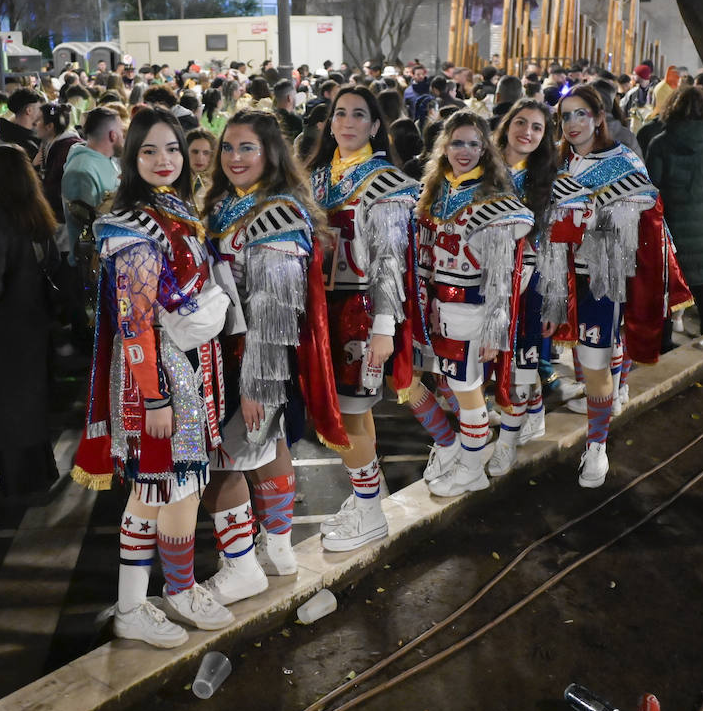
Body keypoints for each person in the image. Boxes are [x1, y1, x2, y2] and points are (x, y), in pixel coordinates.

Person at [69, 107, 234, 646]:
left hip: (187, 367)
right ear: (129, 156)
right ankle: (173, 593)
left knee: (157, 492)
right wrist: (155, 398)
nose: (164, 160)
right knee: (172, 488)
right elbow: (135, 324)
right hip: (161, 377)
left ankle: (136, 604)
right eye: (149, 151)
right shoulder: (135, 226)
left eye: (172, 149)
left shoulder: (178, 211)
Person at [202, 109, 349, 600]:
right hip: (239, 354)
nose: (235, 157)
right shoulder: (231, 202)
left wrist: (256, 385)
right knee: (267, 448)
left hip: (255, 358)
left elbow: (275, 311)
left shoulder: (275, 213)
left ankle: (243, 566)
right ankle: (279, 550)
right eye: (228, 147)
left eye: (247, 148)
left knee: (223, 461)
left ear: (270, 153)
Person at [548, 86, 690, 489]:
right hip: (564, 278)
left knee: (596, 363)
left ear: (598, 117)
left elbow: (643, 219)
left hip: (602, 278)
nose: (572, 124)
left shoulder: (622, 161)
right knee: (584, 359)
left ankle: (597, 446)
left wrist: (586, 219)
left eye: (580, 115)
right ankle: (611, 392)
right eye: (565, 117)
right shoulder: (558, 161)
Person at [307, 86, 419, 551]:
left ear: (375, 126)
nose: (347, 122)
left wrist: (384, 327)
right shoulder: (317, 179)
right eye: (340, 114)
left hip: (362, 308)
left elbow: (391, 260)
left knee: (352, 412)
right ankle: (364, 496)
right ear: (329, 123)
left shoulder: (385, 181)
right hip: (324, 310)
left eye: (359, 115)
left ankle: (371, 513)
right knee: (355, 411)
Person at [414, 111, 533, 495]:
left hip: (472, 310)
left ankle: (471, 469)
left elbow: (509, 272)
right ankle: (463, 460)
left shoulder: (496, 201)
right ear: (443, 147)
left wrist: (494, 330)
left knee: (467, 392)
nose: (464, 151)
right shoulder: (436, 190)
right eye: (456, 142)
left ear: (485, 149)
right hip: (438, 310)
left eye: (473, 143)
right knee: (455, 385)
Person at [0, 145, 63, 500]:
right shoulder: (37, 211)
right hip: (35, 320)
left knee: (5, 408)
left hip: (4, 327)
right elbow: (53, 262)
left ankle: (17, 481)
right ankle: (42, 470)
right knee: (32, 400)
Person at [493, 99, 563, 456]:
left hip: (532, 282)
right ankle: (530, 408)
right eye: (521, 123)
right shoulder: (481, 168)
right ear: (507, 125)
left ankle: (510, 435)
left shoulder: (549, 179)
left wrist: (554, 299)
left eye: (537, 128)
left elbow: (554, 246)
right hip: (484, 280)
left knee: (525, 356)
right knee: (489, 356)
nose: (527, 132)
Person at [645, 85, 703, 333]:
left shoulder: (660, 143)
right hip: (702, 220)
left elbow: (652, 183)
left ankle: (666, 339)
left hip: (671, 222)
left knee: (668, 282)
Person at [60, 106, 122, 259]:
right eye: (121, 131)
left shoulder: (108, 161)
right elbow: (88, 224)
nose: (123, 137)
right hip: (90, 265)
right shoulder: (81, 171)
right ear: (113, 135)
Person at [0, 89, 44, 159]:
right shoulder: (12, 144)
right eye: (40, 109)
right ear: (29, 110)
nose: (42, 114)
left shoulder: (6, 134)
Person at [186, 128, 217, 199]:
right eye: (195, 152)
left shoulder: (218, 184)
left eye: (206, 153)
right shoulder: (175, 181)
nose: (200, 158)